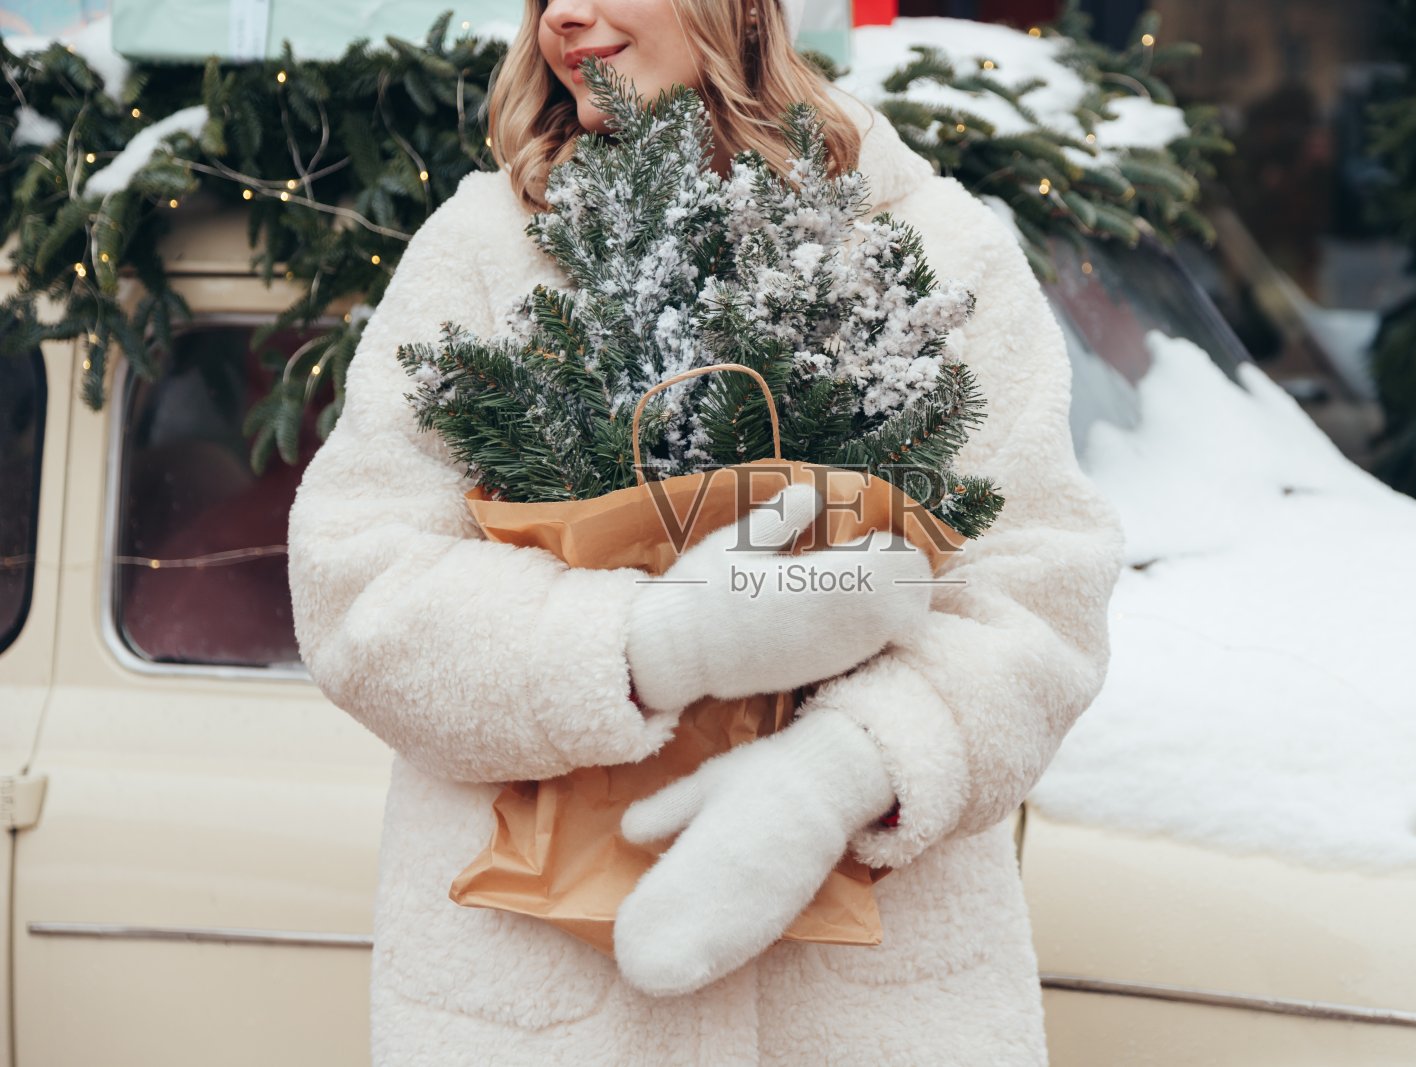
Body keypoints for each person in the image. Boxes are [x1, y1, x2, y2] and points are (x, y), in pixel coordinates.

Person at [284, 0, 1126, 1060]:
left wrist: (840, 773)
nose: (566, 19)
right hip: (545, 1011)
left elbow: (1039, 590)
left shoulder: (933, 243)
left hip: (870, 1012)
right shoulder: (482, 249)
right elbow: (356, 584)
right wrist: (657, 640)